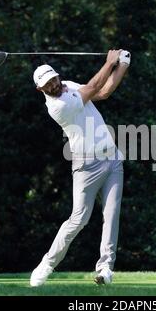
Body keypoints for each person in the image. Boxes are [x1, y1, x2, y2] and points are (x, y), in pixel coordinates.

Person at [30, 49, 130, 286]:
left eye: (53, 79)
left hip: (112, 157)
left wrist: (123, 65)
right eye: (47, 84)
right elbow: (95, 86)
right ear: (40, 90)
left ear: (57, 75)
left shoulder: (68, 85)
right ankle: (47, 264)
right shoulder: (59, 106)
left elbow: (103, 92)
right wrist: (109, 63)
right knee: (79, 218)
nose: (53, 85)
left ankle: (105, 268)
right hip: (87, 165)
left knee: (111, 214)